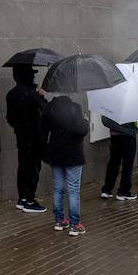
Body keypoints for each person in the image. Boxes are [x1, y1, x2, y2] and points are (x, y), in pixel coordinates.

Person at [41, 92, 89, 235]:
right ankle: (75, 225)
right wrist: (85, 120)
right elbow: (81, 130)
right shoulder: (75, 108)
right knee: (73, 190)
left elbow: (42, 133)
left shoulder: (49, 109)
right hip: (73, 155)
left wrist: (46, 151)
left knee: (58, 189)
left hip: (56, 154)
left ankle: (60, 221)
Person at [5, 66, 48, 213]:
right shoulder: (32, 94)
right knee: (33, 168)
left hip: (21, 136)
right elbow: (45, 110)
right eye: (33, 74)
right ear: (27, 76)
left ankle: (22, 198)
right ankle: (30, 200)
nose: (35, 77)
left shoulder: (11, 94)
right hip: (35, 136)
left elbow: (9, 119)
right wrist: (41, 96)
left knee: (23, 166)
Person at [101, 116, 138, 201]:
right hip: (128, 136)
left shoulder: (112, 103)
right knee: (127, 165)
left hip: (115, 136)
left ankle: (107, 190)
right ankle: (123, 192)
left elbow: (104, 120)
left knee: (113, 162)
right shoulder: (134, 104)